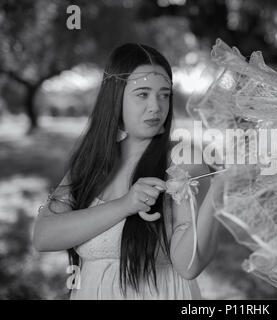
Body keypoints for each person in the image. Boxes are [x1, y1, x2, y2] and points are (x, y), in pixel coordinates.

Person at [32, 43, 222, 299]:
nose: (156, 107)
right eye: (143, 94)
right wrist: (125, 205)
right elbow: (44, 237)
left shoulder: (181, 159)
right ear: (116, 95)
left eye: (164, 94)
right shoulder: (90, 162)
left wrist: (219, 191)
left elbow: (189, 266)